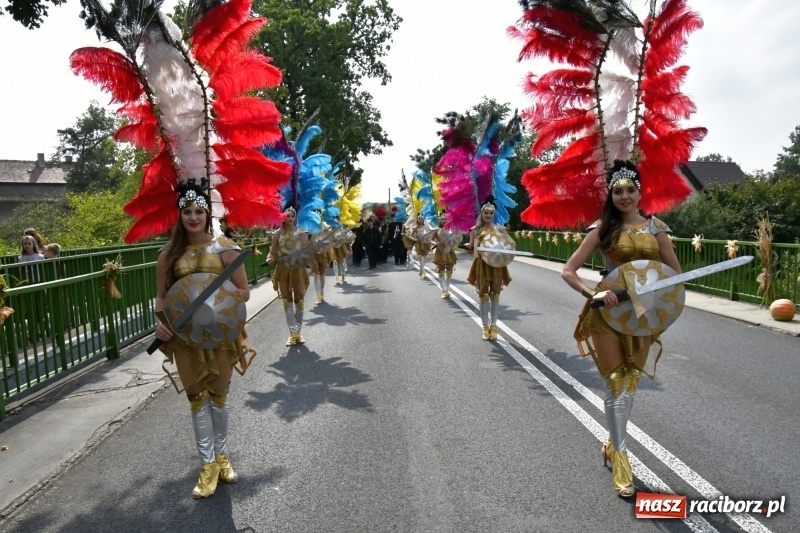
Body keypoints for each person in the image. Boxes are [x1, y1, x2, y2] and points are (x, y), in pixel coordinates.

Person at [561, 160, 681, 498]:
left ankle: (612, 444)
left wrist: (658, 293)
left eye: (630, 190)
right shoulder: (603, 228)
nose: (624, 196)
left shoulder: (657, 229)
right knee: (615, 384)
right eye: (618, 191)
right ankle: (623, 462)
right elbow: (569, 270)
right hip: (608, 315)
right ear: (611, 195)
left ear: (640, 192)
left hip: (642, 317)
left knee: (630, 386)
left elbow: (676, 275)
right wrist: (593, 293)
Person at [153, 179, 255, 500]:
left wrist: (215, 299)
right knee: (196, 398)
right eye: (187, 212)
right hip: (185, 338)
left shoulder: (224, 248)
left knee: (220, 395)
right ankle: (207, 465)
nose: (193, 217)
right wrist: (161, 325)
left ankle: (222, 457)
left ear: (208, 213)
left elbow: (243, 291)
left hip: (220, 334)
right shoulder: (168, 255)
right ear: (179, 215)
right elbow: (161, 299)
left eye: (198, 211)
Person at [467, 200, 514, 340]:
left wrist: (504, 238)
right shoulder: (475, 230)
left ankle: (493, 326)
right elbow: (472, 248)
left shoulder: (500, 229)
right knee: (483, 295)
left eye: (491, 213)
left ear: (494, 214)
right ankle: (485, 327)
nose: (488, 215)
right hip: (482, 265)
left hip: (497, 265)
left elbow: (509, 246)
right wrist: (469, 246)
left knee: (495, 295)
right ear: (481, 213)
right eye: (486, 212)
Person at [266, 205, 311, 346]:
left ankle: (298, 333)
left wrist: (304, 257)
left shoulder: (302, 232)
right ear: (283, 217)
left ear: (295, 217)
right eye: (287, 216)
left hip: (298, 270)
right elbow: (272, 251)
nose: (290, 218)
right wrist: (269, 258)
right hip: (283, 270)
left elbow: (307, 252)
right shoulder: (277, 234)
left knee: (299, 300)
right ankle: (293, 334)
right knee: (287, 301)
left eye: (292, 215)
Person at [431, 214, 460, 298]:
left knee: (449, 271)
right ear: (440, 220)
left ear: (449, 220)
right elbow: (430, 239)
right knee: (441, 270)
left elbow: (456, 239)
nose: (444, 221)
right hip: (440, 251)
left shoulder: (452, 230)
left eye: (446, 219)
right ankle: (443, 289)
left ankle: (447, 289)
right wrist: (435, 242)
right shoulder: (436, 230)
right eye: (442, 219)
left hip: (449, 251)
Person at [309, 227, 333, 304]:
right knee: (316, 274)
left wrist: (327, 233)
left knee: (322, 273)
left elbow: (330, 240)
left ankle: (321, 292)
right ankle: (318, 295)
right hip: (312, 253)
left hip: (323, 252)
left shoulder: (324, 226)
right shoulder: (307, 227)